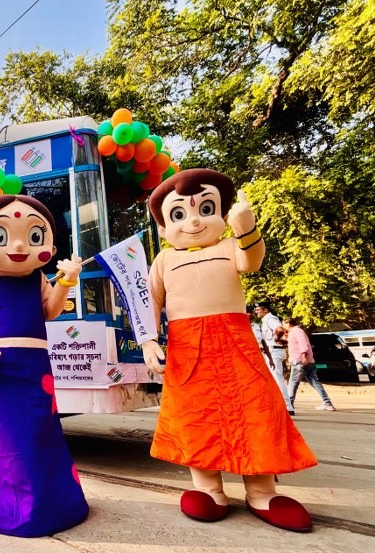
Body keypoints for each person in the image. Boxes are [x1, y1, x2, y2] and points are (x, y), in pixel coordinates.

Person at [140, 168, 316, 532]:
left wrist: (246, 229)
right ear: (162, 228)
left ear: (221, 214)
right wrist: (148, 340)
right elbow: (149, 305)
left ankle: (262, 490)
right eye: (178, 215)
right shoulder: (164, 260)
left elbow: (251, 262)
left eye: (205, 208)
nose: (192, 221)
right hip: (187, 346)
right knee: (195, 413)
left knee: (257, 406)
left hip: (235, 340)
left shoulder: (228, 247)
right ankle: (208, 488)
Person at [0, 194, 89, 537]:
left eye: (34, 236)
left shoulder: (37, 277)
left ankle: (45, 502)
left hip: (35, 367)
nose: (19, 245)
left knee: (39, 433)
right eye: (0, 235)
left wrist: (65, 283)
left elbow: (51, 310)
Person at [282, 318, 335, 411]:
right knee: (314, 382)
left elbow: (304, 344)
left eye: (284, 324)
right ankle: (327, 403)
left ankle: (289, 404)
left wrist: (303, 356)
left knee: (293, 382)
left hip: (300, 360)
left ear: (289, 324)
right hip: (307, 361)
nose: (283, 326)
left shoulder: (297, 331)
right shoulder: (293, 332)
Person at [255, 302, 294, 414]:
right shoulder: (265, 320)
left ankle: (287, 407)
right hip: (273, 351)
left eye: (258, 309)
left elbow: (280, 329)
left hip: (274, 350)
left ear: (265, 310)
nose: (257, 312)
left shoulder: (270, 319)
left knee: (278, 379)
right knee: (272, 379)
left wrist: (277, 338)